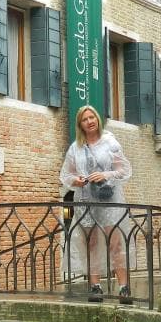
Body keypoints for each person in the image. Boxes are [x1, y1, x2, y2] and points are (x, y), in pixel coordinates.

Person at [59, 105, 133, 303]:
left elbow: (124, 170)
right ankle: (95, 287)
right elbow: (65, 175)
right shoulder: (75, 148)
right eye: (85, 119)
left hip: (109, 200)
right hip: (85, 201)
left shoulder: (110, 143)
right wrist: (77, 180)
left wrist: (105, 174)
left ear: (98, 119)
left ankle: (124, 287)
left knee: (115, 243)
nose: (90, 121)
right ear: (80, 124)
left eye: (92, 117)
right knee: (90, 244)